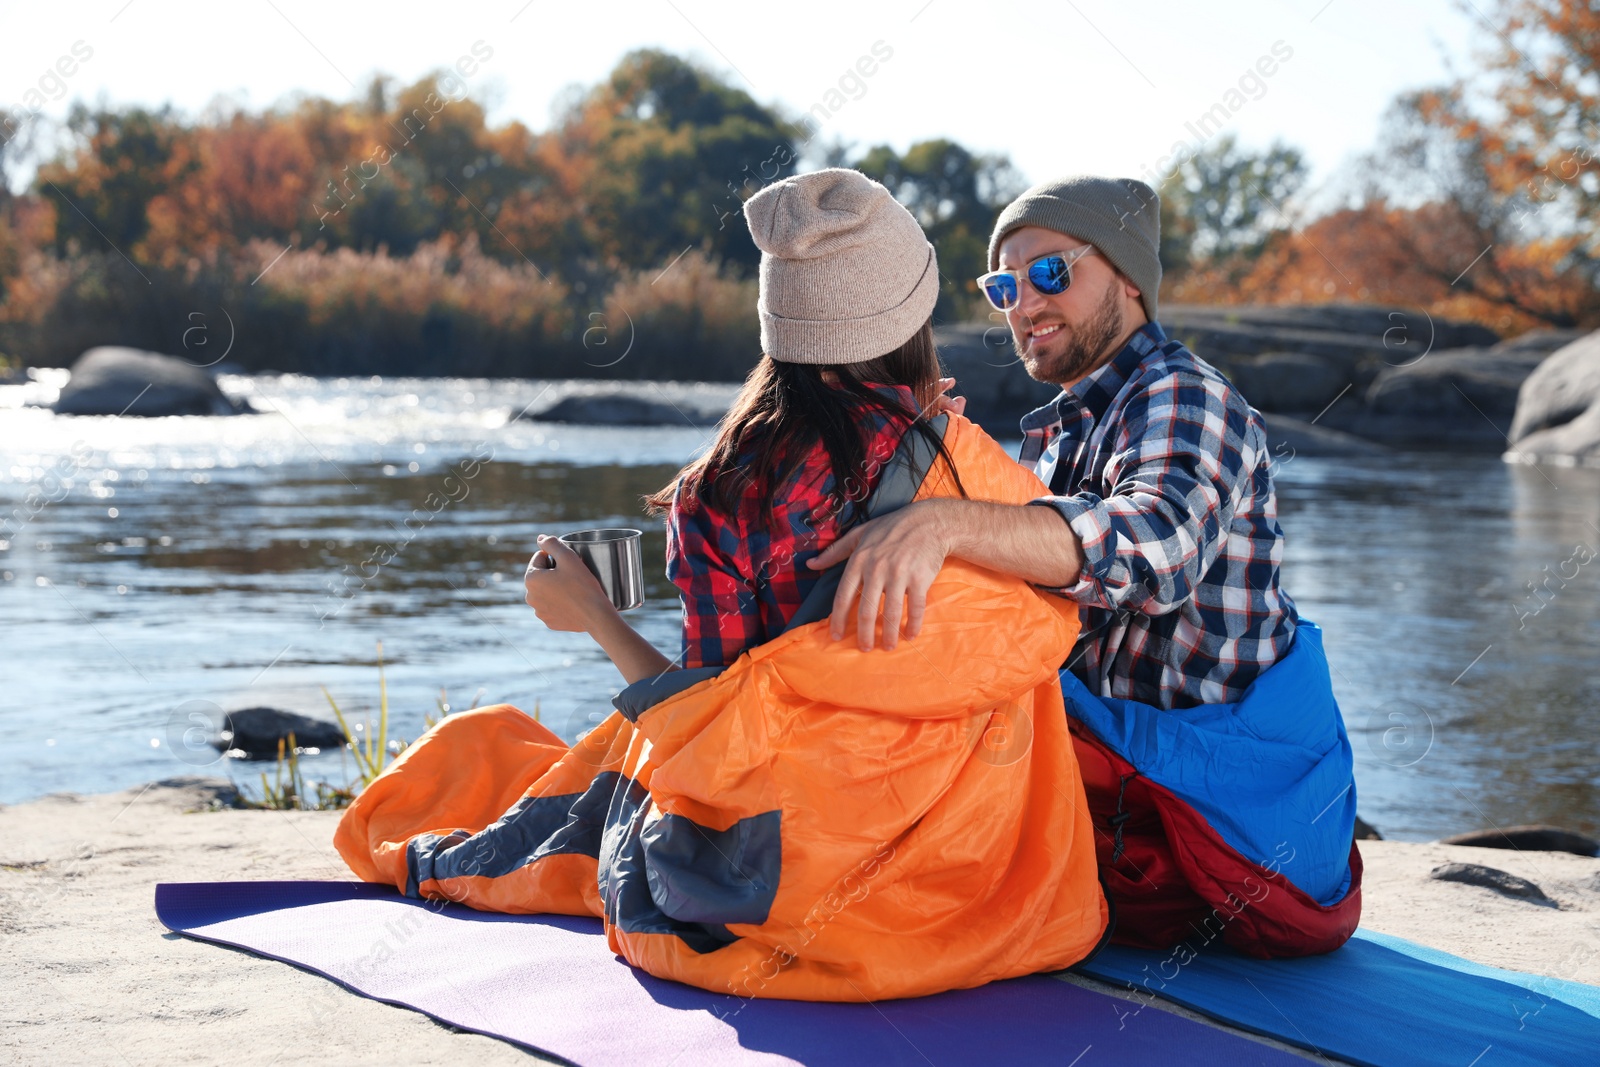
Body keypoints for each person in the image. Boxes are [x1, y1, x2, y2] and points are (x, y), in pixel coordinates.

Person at [334, 168, 1110, 1001]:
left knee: (606, 781)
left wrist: (594, 615)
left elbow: (712, 733)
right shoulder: (965, 461)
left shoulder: (721, 491)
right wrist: (928, 436)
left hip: (782, 883)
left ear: (783, 321)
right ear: (909, 318)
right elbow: (1030, 616)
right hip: (973, 878)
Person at [808, 175, 1363, 958]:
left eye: (1049, 274)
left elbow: (1154, 546)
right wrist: (932, 469)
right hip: (1130, 784)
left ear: (1130, 278)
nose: (1023, 305)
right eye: (1004, 285)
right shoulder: (1064, 428)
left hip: (1230, 805)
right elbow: (1020, 599)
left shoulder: (1185, 395)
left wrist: (946, 520)